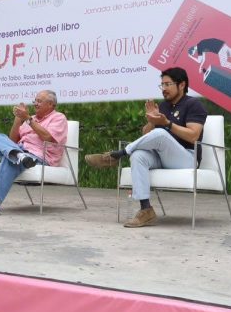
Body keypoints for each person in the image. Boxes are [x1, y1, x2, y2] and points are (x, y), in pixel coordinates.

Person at [85, 67, 208, 228]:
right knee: (138, 156)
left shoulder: (193, 104)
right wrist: (152, 121)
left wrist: (167, 124)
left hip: (187, 158)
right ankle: (146, 209)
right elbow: (146, 134)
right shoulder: (163, 106)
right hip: (163, 157)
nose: (163, 89)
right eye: (161, 85)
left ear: (182, 85)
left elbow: (193, 135)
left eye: (167, 84)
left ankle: (117, 155)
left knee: (161, 134)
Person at [0, 90, 68, 217]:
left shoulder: (58, 118)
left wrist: (27, 118)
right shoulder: (31, 119)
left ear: (50, 104)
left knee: (12, 160)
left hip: (39, 156)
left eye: (39, 101)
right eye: (35, 101)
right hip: (22, 151)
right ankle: (19, 155)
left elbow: (48, 137)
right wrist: (18, 119)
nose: (35, 104)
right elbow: (12, 141)